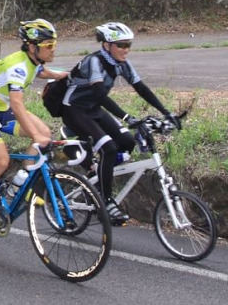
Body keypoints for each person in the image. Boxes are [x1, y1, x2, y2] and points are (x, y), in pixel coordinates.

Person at [61, 22, 181, 226]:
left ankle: (95, 173)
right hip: (74, 110)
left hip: (93, 108)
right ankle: (106, 202)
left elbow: (141, 88)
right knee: (108, 148)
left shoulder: (121, 63)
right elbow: (99, 94)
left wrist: (166, 113)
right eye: (122, 45)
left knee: (127, 142)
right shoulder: (94, 62)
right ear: (107, 45)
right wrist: (127, 117)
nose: (126, 49)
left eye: (129, 45)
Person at [0, 19, 68, 240]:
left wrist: (59, 75)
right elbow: (18, 104)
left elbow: (39, 72)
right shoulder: (18, 65)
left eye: (54, 44)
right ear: (32, 46)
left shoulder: (32, 61)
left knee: (45, 135)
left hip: (0, 108)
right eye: (48, 45)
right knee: (0, 160)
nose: (53, 49)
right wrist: (35, 135)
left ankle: (22, 184)